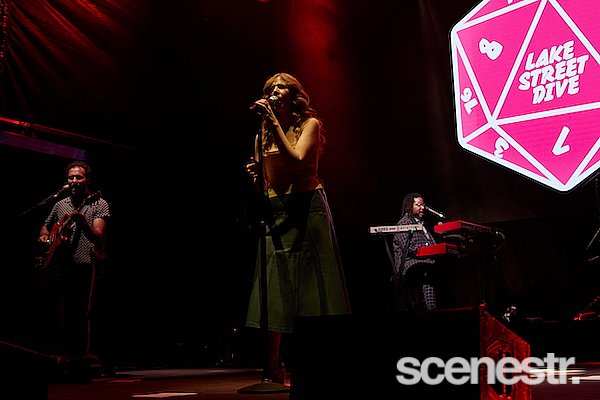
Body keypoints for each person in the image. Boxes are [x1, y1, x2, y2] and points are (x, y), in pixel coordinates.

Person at [244, 72, 351, 383]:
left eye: (282, 87)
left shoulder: (310, 125)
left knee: (315, 282)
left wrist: (272, 121)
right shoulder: (261, 136)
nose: (276, 91)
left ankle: (323, 360)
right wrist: (257, 176)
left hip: (307, 207)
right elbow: (266, 183)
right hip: (277, 210)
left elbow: (298, 159)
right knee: (275, 285)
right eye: (271, 88)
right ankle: (273, 364)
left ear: (294, 96)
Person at [36, 160, 111, 360]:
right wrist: (45, 236)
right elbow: (46, 226)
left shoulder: (98, 203)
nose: (74, 181)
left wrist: (83, 222)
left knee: (79, 311)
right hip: (59, 263)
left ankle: (80, 356)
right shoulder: (60, 204)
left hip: (85, 262)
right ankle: (58, 351)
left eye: (79, 177)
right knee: (54, 309)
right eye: (71, 177)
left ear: (88, 180)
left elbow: (98, 236)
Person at [392, 193, 439, 312]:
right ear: (409, 206)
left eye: (423, 205)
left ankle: (433, 308)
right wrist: (429, 248)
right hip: (410, 265)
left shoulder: (422, 224)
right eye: (418, 205)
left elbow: (432, 243)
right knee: (427, 272)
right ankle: (431, 310)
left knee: (437, 269)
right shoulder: (404, 223)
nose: (422, 208)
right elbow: (411, 248)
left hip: (424, 262)